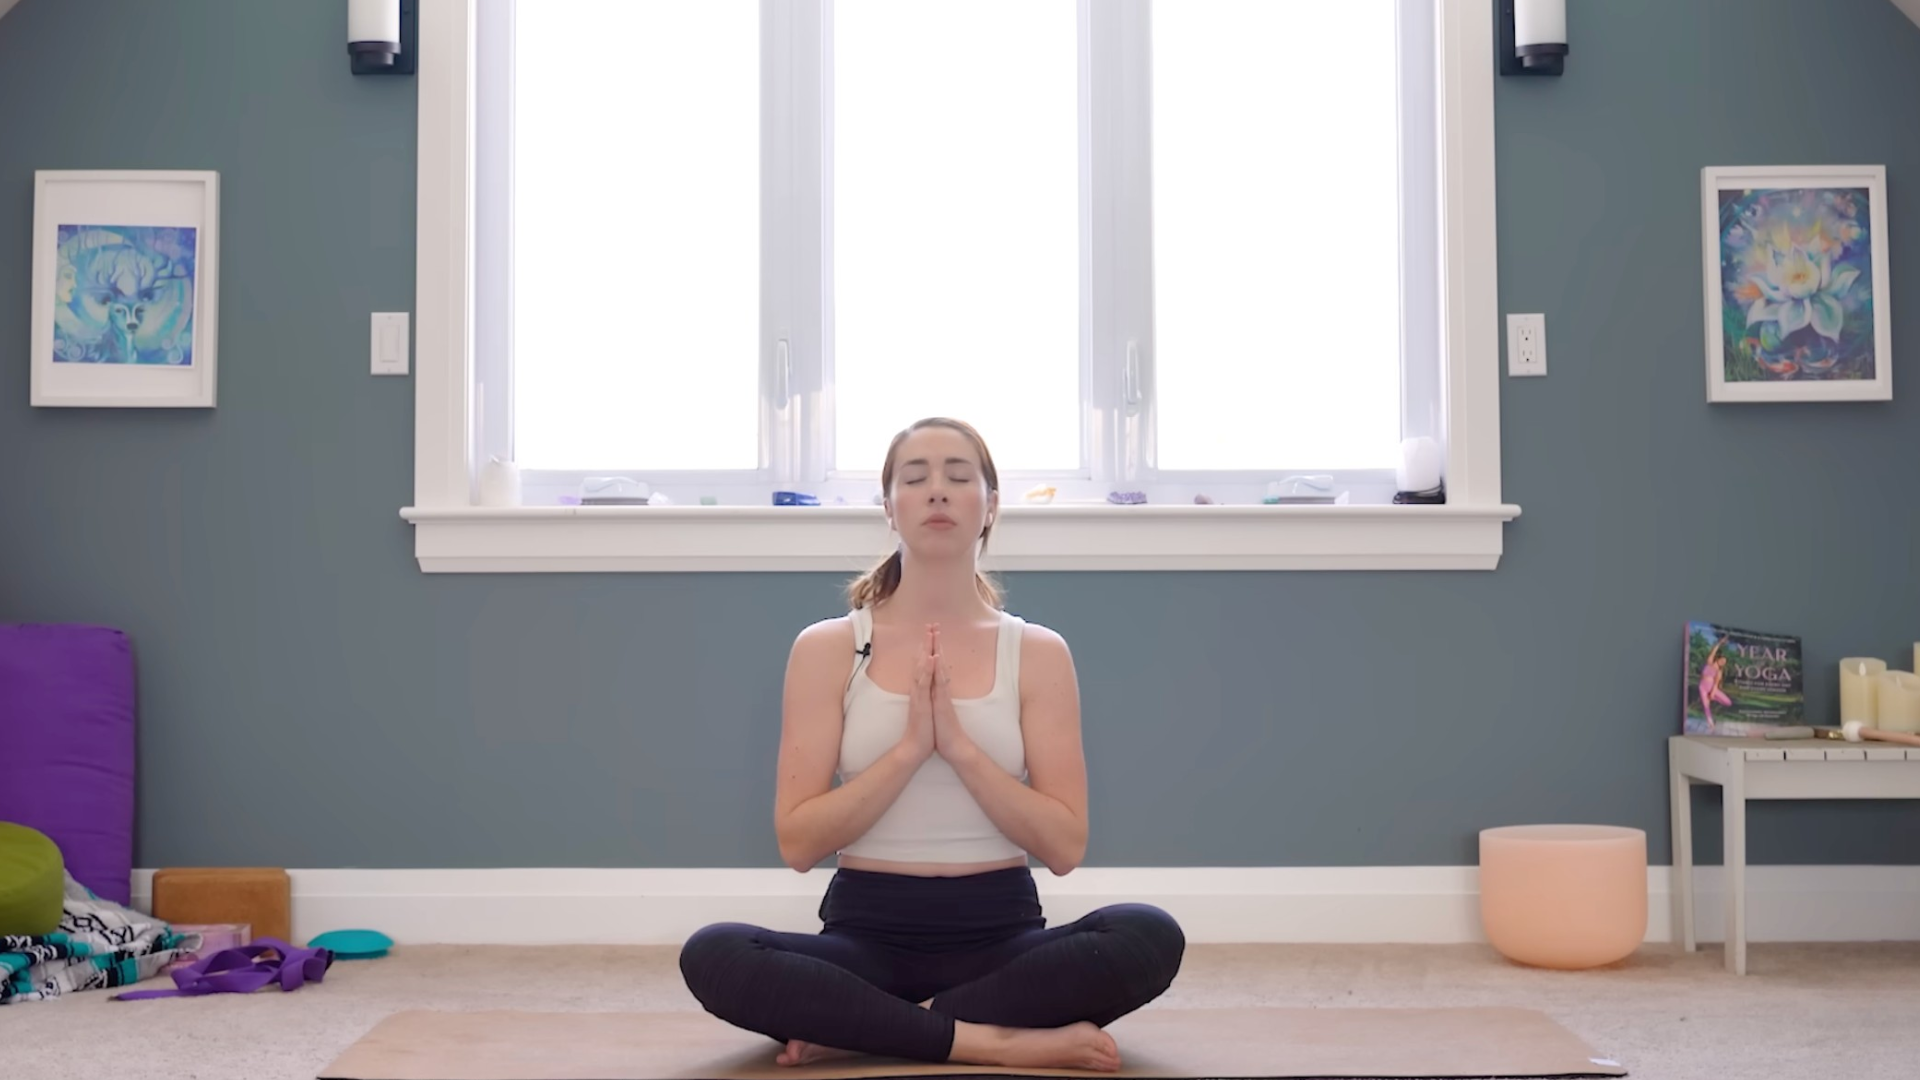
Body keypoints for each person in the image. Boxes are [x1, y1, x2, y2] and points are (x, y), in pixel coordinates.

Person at [678, 417, 1184, 1073]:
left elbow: (1064, 847)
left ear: (990, 505)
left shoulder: (1036, 651)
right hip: (866, 941)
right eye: (915, 479)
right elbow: (799, 843)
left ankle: (874, 1028)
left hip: (1002, 940)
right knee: (714, 953)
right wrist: (910, 750)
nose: (937, 491)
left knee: (1148, 934)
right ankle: (988, 1039)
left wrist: (962, 750)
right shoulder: (830, 647)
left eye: (958, 476)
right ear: (890, 508)